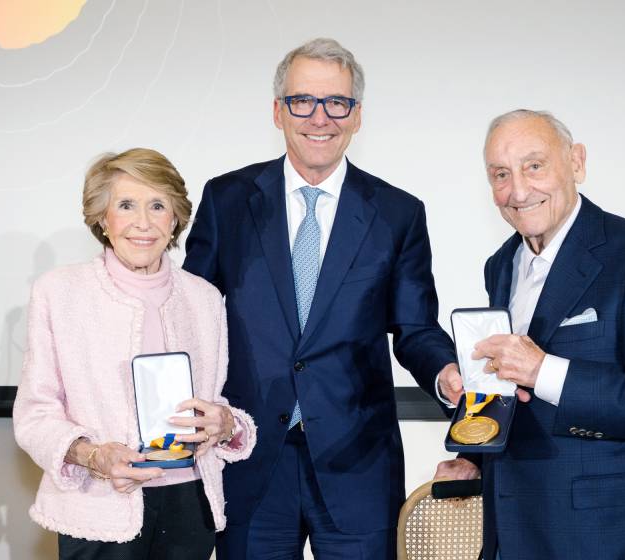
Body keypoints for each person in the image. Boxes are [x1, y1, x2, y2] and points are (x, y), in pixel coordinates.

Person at [184, 38, 458, 558]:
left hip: (358, 463)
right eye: (302, 101)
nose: (319, 117)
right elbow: (191, 318)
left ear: (357, 116)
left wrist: (447, 374)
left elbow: (416, 329)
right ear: (277, 111)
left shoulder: (398, 213)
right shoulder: (227, 201)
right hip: (249, 456)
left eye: (337, 103)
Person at [435, 110, 625, 559]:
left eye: (534, 166)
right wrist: (473, 455)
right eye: (501, 174)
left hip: (609, 535)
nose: (518, 190)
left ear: (576, 163)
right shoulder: (501, 263)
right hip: (512, 530)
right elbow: (512, 393)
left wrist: (544, 370)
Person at [13, 148, 256, 559]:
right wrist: (92, 455)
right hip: (97, 505)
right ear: (101, 218)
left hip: (189, 506)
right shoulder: (58, 292)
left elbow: (219, 404)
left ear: (175, 218)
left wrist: (226, 423)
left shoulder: (205, 299)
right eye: (126, 205)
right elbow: (35, 414)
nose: (143, 223)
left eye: (158, 206)